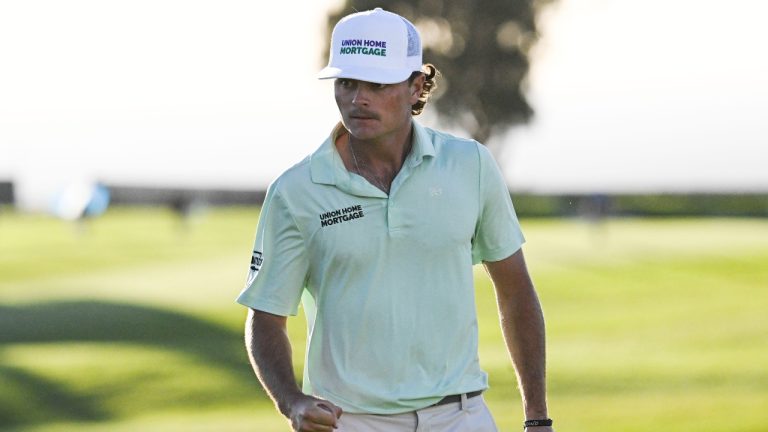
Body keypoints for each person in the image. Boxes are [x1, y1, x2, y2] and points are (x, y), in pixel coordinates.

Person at [237, 7, 553, 432]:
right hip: (349, 422)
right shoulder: (295, 190)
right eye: (347, 83)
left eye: (377, 85)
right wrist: (291, 401)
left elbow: (516, 292)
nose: (358, 99)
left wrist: (537, 417)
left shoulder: (471, 165)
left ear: (415, 86)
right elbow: (265, 317)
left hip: (461, 417)